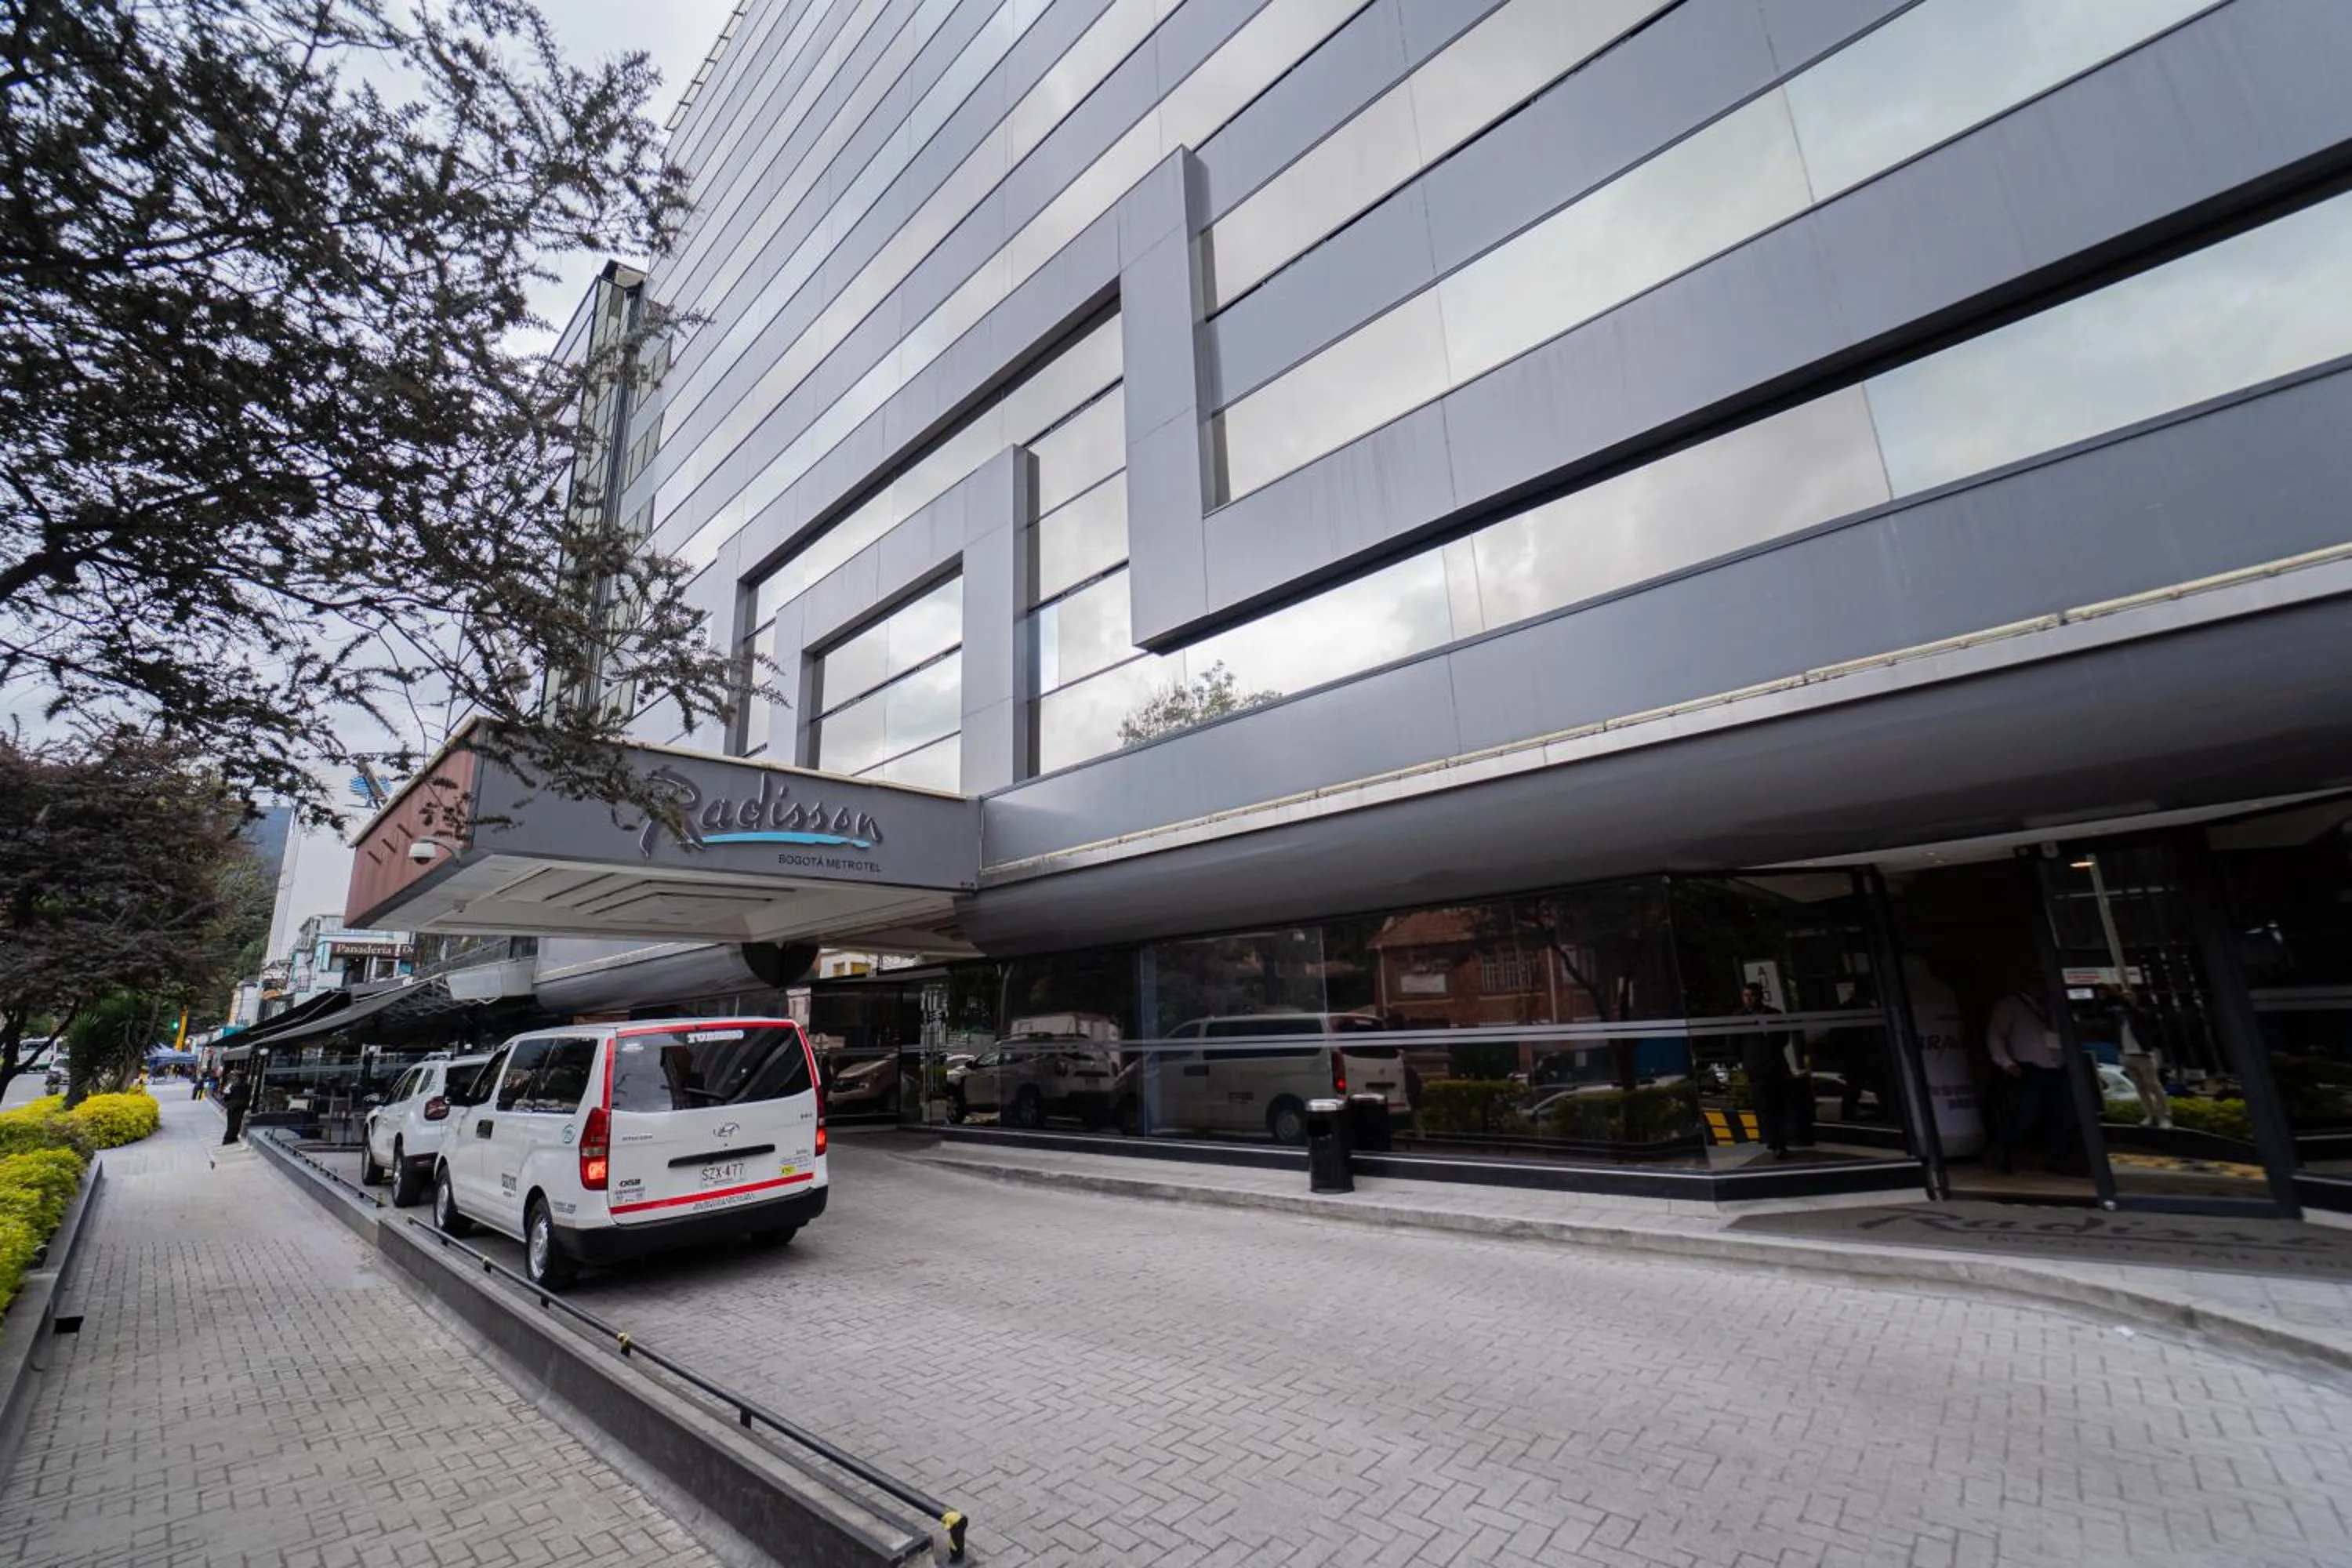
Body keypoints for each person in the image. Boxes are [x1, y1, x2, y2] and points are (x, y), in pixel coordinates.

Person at [1986, 980, 2077, 1173]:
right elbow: (1996, 1035)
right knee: (2026, 1114)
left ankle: (2056, 1157)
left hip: (2058, 1065)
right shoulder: (2010, 1005)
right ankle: (2003, 1149)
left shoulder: (2053, 1004)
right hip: (2029, 1067)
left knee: (2063, 1114)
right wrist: (2006, 1062)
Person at [1733, 983, 1804, 1158]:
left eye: (1752, 995)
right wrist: (1744, 1062)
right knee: (1764, 1107)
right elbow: (1734, 1043)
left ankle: (1779, 1141)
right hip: (1756, 1068)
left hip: (1775, 1066)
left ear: (1760, 996)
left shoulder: (1773, 1014)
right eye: (1746, 995)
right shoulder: (1739, 1017)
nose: (1749, 999)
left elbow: (1782, 1038)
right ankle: (1775, 1143)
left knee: (1779, 1105)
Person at [2100, 984, 2171, 1128]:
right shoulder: (2118, 1017)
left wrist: (2128, 1003)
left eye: (2129, 997)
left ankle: (2164, 1116)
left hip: (2143, 1054)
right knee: (2140, 1088)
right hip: (2126, 1053)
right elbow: (2101, 1012)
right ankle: (2150, 1115)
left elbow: (2144, 1019)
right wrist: (2109, 997)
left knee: (2154, 1086)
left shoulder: (2141, 1012)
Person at [220, 1072, 251, 1146]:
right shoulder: (246, 1086)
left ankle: (230, 1139)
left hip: (233, 1107)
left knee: (233, 1124)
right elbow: (247, 1098)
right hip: (238, 1107)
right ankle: (230, 1139)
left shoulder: (232, 1086)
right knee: (235, 1124)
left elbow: (225, 1096)